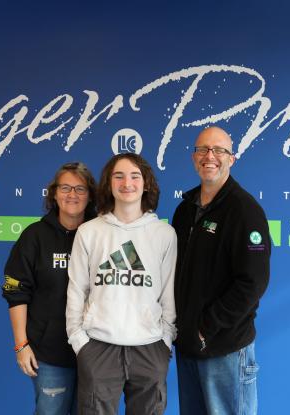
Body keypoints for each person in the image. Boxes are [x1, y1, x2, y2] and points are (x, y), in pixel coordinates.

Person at [65, 153, 177, 415]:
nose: (127, 183)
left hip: (150, 348)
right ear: (109, 183)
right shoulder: (89, 231)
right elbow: (77, 289)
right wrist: (79, 340)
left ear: (146, 183)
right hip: (99, 346)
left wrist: (165, 340)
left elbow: (168, 293)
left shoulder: (164, 234)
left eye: (135, 176)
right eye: (119, 176)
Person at [172, 126, 271, 415]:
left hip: (225, 349)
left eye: (219, 150)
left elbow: (253, 282)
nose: (209, 156)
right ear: (193, 157)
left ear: (232, 158)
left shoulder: (245, 210)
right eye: (202, 149)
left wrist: (207, 326)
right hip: (188, 346)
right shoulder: (185, 210)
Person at [2, 162, 97, 415]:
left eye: (80, 188)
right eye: (65, 187)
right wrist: (21, 345)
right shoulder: (34, 236)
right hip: (50, 355)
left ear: (90, 195)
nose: (72, 195)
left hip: (96, 352)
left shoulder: (103, 235)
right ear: (54, 193)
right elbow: (15, 291)